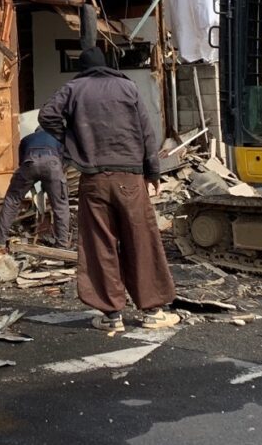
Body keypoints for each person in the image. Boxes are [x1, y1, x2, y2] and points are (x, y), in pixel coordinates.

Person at [39, 47, 178, 333]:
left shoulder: (74, 88)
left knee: (99, 245)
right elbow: (146, 131)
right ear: (108, 66)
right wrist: (153, 172)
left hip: (94, 178)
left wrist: (70, 141)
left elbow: (47, 116)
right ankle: (152, 311)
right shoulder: (128, 87)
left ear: (84, 67)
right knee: (141, 240)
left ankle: (111, 314)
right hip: (130, 177)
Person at [0, 127, 69, 249]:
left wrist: (31, 182)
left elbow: (21, 163)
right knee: (60, 205)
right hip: (53, 164)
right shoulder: (58, 138)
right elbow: (63, 162)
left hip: (29, 162)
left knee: (12, 200)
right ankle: (62, 245)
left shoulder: (26, 139)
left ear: (36, 132)